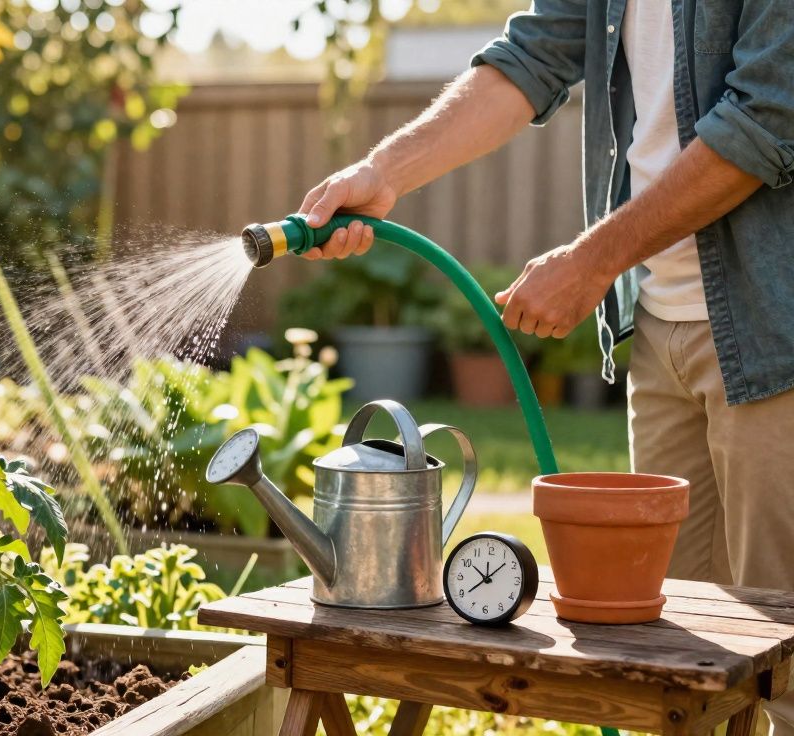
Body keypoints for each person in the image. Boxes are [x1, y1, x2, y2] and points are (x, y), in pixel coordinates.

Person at [298, 1, 794, 731]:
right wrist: (384, 171)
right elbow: (532, 56)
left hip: (775, 332)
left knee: (783, 659)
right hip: (660, 325)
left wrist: (592, 261)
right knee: (674, 667)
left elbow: (766, 120)